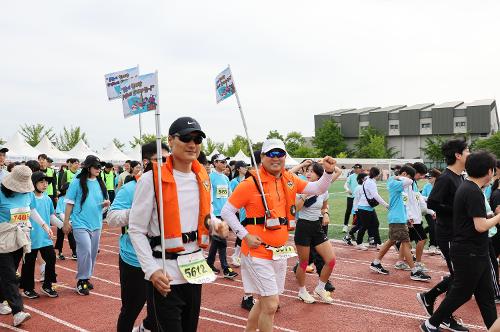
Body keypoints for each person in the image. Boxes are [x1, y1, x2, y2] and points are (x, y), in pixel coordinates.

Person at [221, 139, 337, 332]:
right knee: (271, 304)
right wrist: (244, 235)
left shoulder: (289, 179)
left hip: (279, 252)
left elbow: (318, 188)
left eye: (280, 154)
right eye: (271, 154)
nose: (276, 158)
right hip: (256, 253)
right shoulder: (250, 184)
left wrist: (328, 172)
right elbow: (226, 211)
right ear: (262, 157)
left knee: (263, 302)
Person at [128, 117, 229, 332]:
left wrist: (216, 224)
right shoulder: (150, 180)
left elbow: (206, 214)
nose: (192, 144)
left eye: (197, 139)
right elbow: (136, 230)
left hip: (194, 271)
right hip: (165, 274)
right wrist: (151, 270)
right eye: (186, 138)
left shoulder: (203, 177)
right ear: (171, 141)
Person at [420, 151, 500, 332]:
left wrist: (491, 216)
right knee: (462, 293)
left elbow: (473, 219)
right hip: (468, 250)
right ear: (489, 171)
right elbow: (480, 226)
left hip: (475, 249)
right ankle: (430, 324)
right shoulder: (472, 191)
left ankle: (493, 328)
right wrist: (498, 217)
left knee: (485, 295)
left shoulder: (468, 187)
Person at [107, 142, 168, 332]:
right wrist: (138, 212)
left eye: (169, 159)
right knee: (130, 310)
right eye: (162, 160)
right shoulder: (130, 188)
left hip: (163, 259)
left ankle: (144, 328)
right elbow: (111, 218)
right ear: (146, 161)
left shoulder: (171, 186)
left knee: (161, 311)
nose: (168, 163)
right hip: (134, 260)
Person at [416, 139, 469, 332]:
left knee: (460, 277)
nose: (469, 154)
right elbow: (432, 204)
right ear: (457, 155)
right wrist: (457, 209)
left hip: (458, 233)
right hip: (448, 234)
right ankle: (443, 315)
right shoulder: (446, 178)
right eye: (467, 150)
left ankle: (429, 297)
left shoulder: (460, 177)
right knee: (461, 278)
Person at [0, 166, 53, 327]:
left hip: (20, 237)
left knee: (7, 274)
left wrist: (44, 225)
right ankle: (18, 312)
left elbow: (31, 211)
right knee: (10, 276)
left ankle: (2, 300)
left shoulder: (28, 193)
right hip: (2, 238)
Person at [369, 165, 431, 282]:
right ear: (404, 174)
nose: (412, 179)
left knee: (391, 241)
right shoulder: (394, 182)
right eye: (410, 175)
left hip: (399, 218)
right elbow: (408, 181)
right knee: (406, 243)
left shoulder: (397, 183)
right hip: (397, 218)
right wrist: (400, 176)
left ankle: (376, 262)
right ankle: (414, 271)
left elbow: (405, 198)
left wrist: (407, 218)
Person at [294, 162, 341, 304]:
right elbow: (295, 209)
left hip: (317, 227)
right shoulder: (302, 187)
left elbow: (324, 207)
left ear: (319, 175)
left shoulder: (323, 190)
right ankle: (302, 291)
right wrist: (305, 194)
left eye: (312, 171)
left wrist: (326, 214)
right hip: (303, 227)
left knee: (331, 260)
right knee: (303, 263)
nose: (308, 173)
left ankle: (320, 288)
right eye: (307, 171)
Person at [63, 155, 110, 296]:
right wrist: (66, 221)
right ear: (88, 167)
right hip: (80, 223)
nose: (99, 169)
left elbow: (104, 202)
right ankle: (81, 280)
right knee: (86, 251)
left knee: (93, 253)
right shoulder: (77, 182)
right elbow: (70, 202)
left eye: (100, 167)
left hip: (96, 223)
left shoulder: (100, 182)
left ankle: (86, 277)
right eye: (96, 166)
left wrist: (106, 205)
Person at [20, 171, 63, 299]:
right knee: (29, 263)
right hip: (31, 237)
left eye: (46, 182)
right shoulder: (29, 198)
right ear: (34, 183)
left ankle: (47, 285)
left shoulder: (48, 199)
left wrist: (63, 226)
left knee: (51, 258)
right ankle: (27, 288)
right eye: (41, 182)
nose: (45, 184)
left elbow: (51, 216)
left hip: (45, 238)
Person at [207, 153, 238, 279]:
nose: (224, 164)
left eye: (225, 161)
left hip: (224, 214)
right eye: (221, 161)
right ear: (215, 163)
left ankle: (209, 263)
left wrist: (233, 209)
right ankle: (225, 268)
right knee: (222, 241)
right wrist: (211, 214)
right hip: (214, 214)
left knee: (217, 241)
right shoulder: (210, 177)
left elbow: (229, 196)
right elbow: (208, 196)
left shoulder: (226, 178)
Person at [355, 167, 389, 250]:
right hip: (364, 207)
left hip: (368, 207)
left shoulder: (368, 180)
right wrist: (386, 205)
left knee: (375, 224)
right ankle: (359, 243)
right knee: (364, 226)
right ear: (377, 175)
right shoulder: (370, 182)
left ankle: (378, 243)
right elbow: (375, 195)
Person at [343, 172, 368, 246]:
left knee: (363, 224)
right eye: (366, 179)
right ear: (362, 179)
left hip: (361, 209)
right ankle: (350, 237)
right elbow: (358, 199)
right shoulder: (359, 188)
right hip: (358, 209)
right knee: (358, 224)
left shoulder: (363, 187)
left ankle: (370, 239)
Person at [54, 183, 77, 260]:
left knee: (71, 237)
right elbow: (59, 212)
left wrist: (70, 221)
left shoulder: (73, 199)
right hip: (61, 222)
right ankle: (59, 252)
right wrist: (65, 221)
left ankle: (74, 252)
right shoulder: (61, 199)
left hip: (70, 221)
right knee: (60, 237)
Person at [421, 169, 441, 255]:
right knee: (433, 226)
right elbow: (423, 198)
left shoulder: (441, 186)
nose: (428, 179)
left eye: (430, 177)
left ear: (436, 177)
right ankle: (432, 245)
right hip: (429, 210)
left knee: (438, 227)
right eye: (427, 177)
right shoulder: (426, 186)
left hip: (440, 210)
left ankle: (438, 245)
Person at [343, 164, 362, 233]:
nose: (355, 169)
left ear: (360, 169)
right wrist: (348, 189)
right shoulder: (351, 176)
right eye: (354, 168)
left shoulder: (362, 176)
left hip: (359, 198)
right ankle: (345, 225)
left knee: (358, 212)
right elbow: (345, 185)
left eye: (357, 168)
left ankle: (356, 226)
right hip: (351, 197)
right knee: (348, 211)